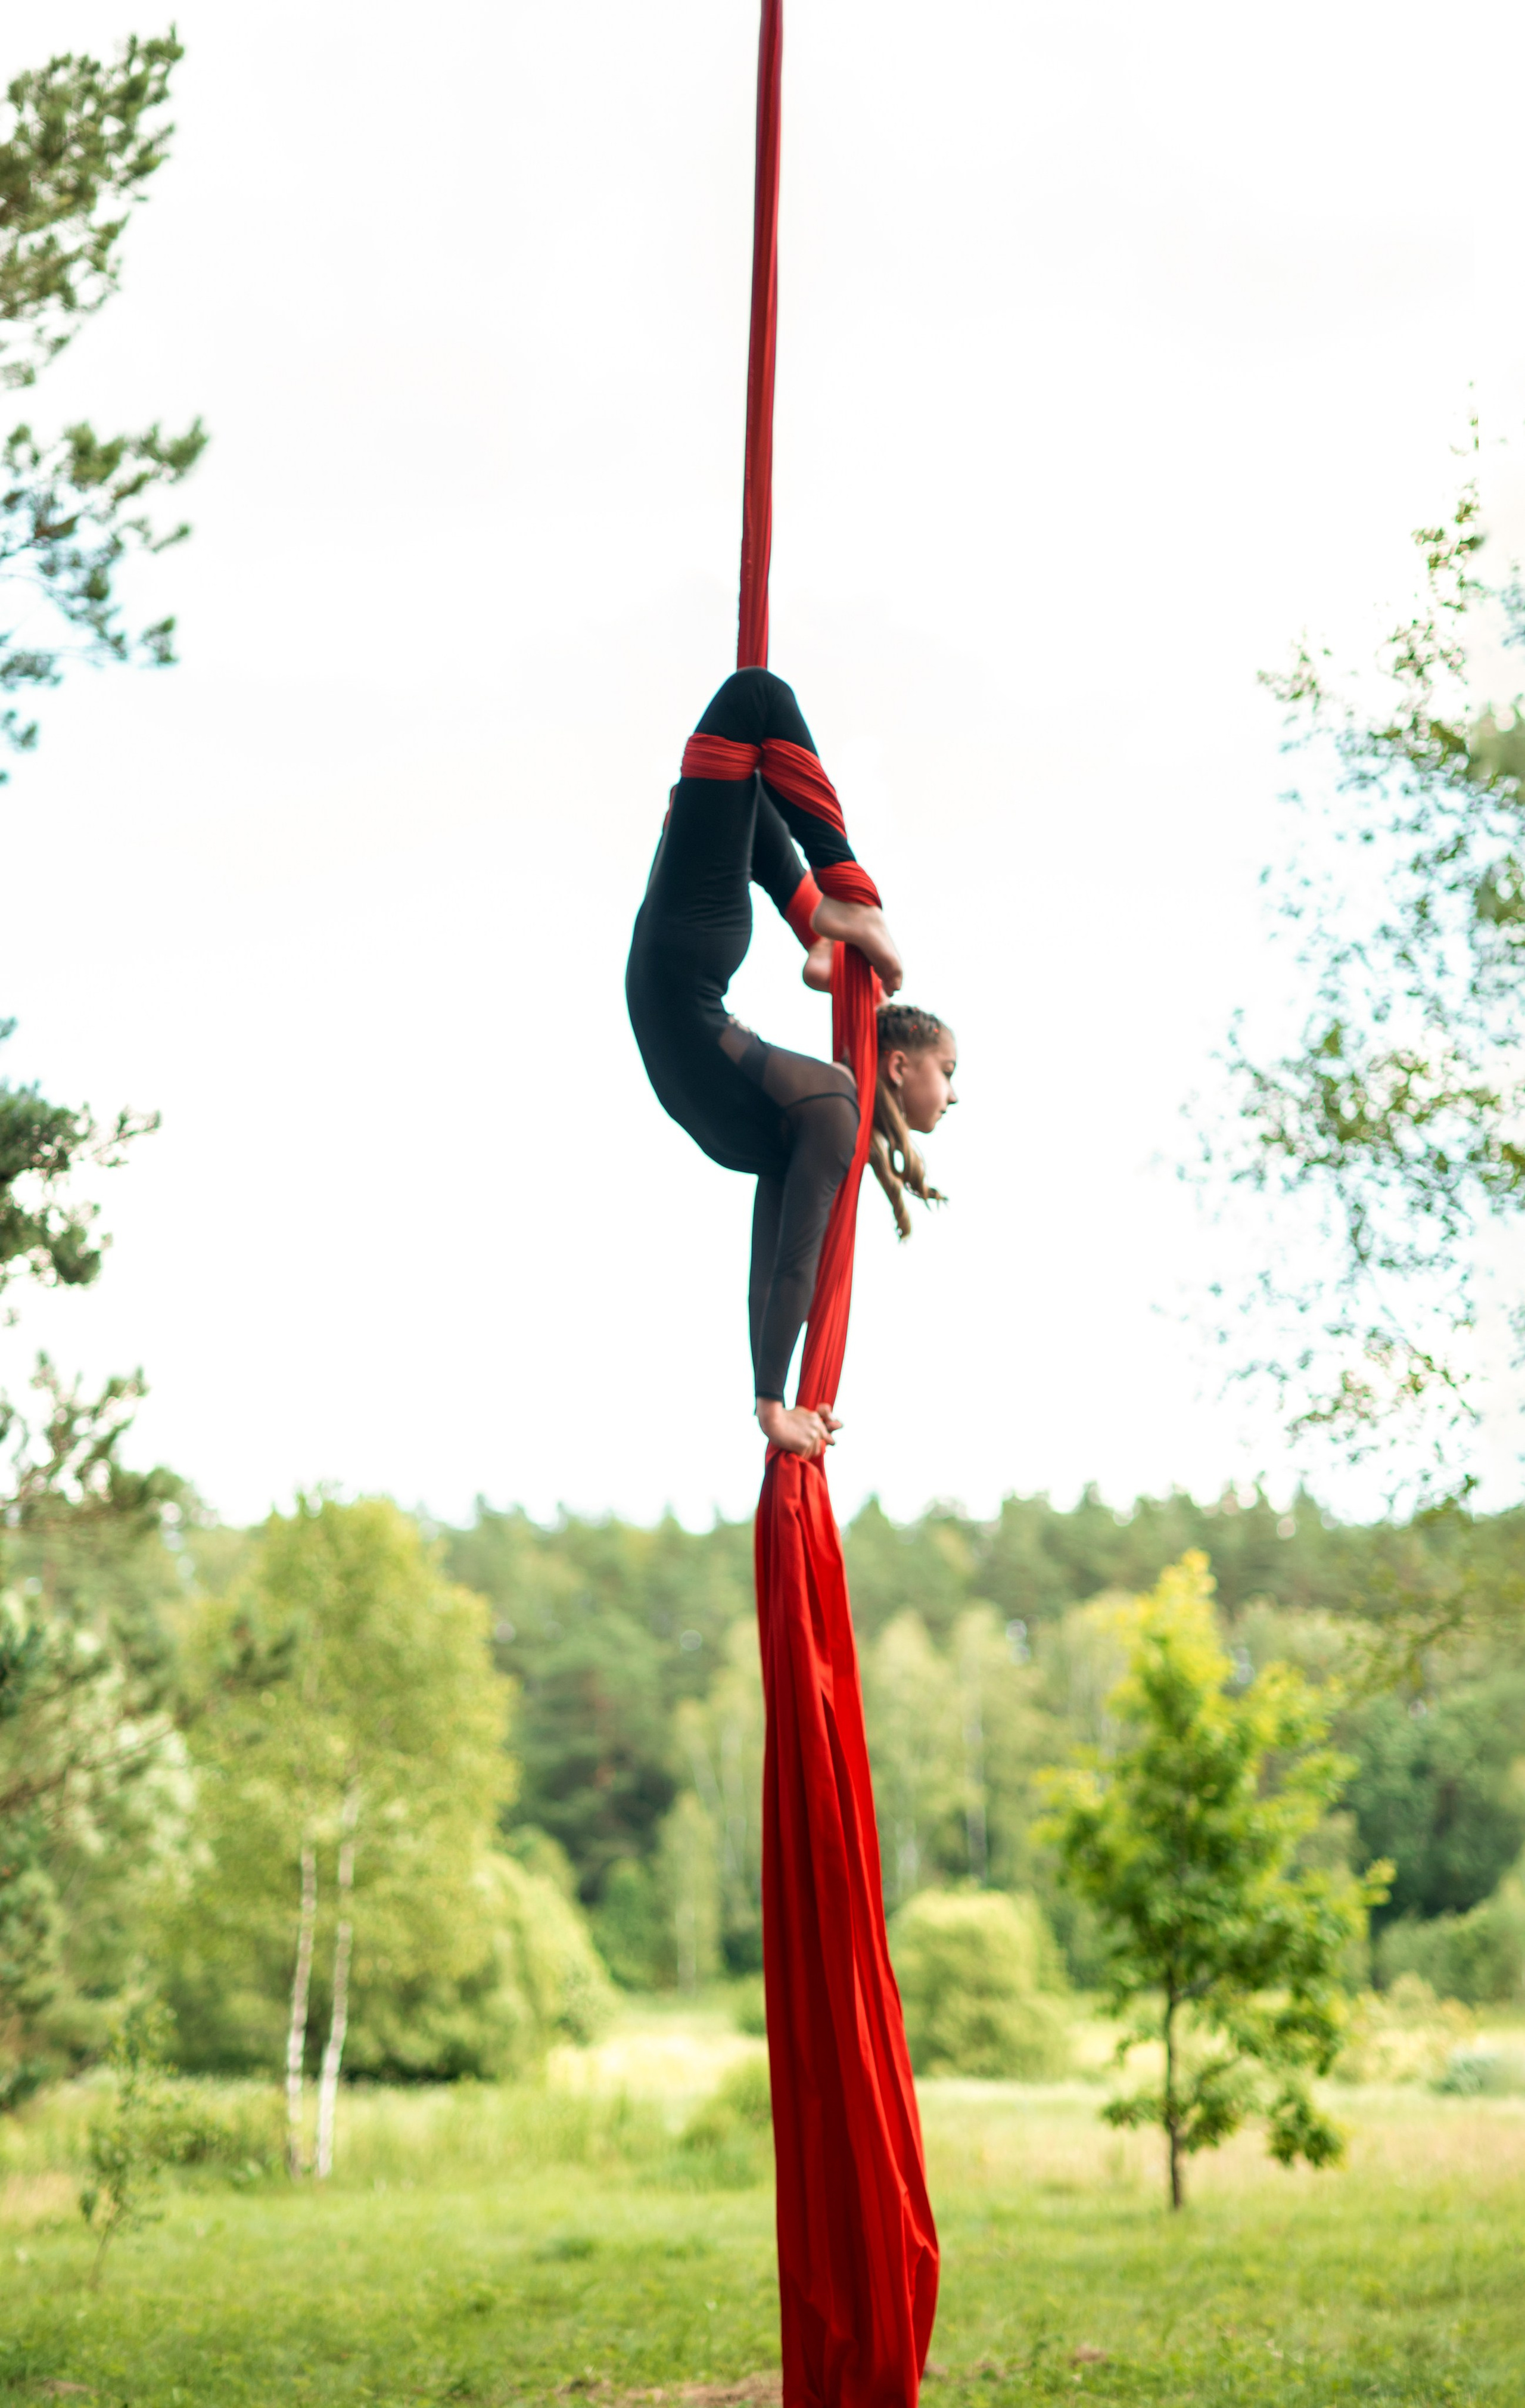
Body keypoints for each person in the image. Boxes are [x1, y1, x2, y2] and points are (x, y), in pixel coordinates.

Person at [627, 667, 957, 1461]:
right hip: (671, 991)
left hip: (682, 972)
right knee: (754, 766)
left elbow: (786, 1269)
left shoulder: (826, 1110)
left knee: (756, 703)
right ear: (903, 1067)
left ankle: (828, 913)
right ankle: (819, 918)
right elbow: (776, 1269)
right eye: (952, 1070)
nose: (956, 1092)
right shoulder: (814, 1114)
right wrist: (767, 1398)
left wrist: (773, 1403)